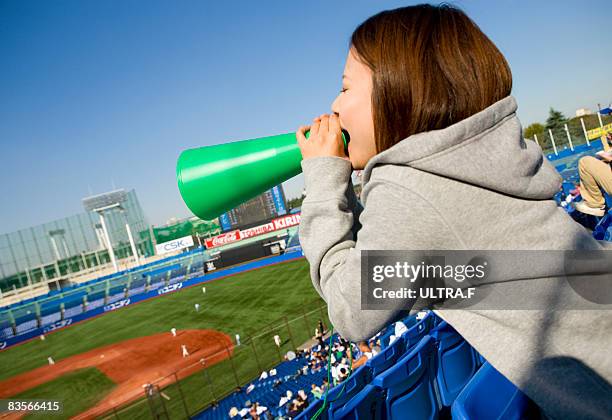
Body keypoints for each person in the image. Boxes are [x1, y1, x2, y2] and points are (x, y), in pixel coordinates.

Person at [295, 4, 612, 419]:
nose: (333, 107)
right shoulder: (474, 159)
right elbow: (411, 270)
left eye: (345, 87)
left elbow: (350, 310)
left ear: (400, 93)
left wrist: (322, 180)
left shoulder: (414, 189)